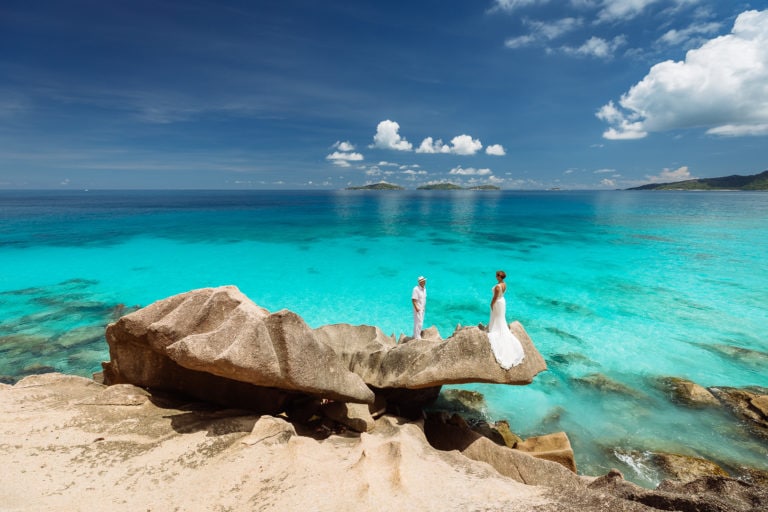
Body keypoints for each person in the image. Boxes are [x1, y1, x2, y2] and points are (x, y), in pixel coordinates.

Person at [487, 270, 525, 369]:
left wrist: (491, 304)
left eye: (496, 275)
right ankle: (499, 329)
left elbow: (494, 298)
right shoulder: (504, 284)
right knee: (501, 318)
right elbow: (501, 295)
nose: (495, 277)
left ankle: (495, 330)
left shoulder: (497, 287)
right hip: (502, 302)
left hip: (497, 302)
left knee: (497, 318)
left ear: (499, 277)